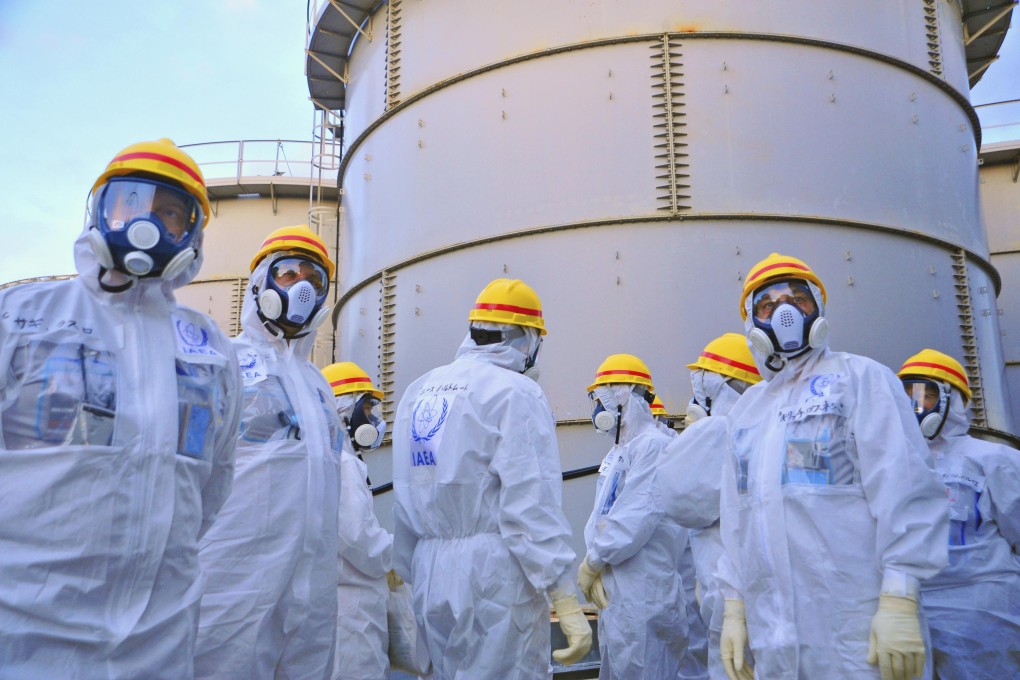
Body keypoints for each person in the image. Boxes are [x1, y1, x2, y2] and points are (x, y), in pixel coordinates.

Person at [0, 139, 241, 679]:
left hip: (158, 638)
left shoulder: (207, 349)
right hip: (25, 630)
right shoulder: (21, 316)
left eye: (169, 212)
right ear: (99, 211)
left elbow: (214, 483)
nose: (146, 223)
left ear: (192, 235)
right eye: (130, 203)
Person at [716, 252, 949, 680]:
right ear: (753, 322)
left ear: (818, 309)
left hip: (856, 629)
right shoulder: (748, 411)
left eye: (798, 300)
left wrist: (900, 597)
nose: (785, 312)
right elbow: (735, 519)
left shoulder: (861, 380)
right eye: (768, 306)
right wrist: (734, 608)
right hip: (775, 634)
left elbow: (904, 489)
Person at [391, 278, 591, 679]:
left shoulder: (420, 390)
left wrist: (406, 570)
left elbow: (405, 491)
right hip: (493, 576)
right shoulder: (516, 393)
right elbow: (528, 506)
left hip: (429, 571)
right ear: (526, 339)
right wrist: (563, 594)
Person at [195, 225, 342, 680]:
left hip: (313, 580)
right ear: (260, 281)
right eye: (287, 273)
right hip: (234, 576)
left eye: (313, 281)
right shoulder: (222, 361)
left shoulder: (318, 385)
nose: (300, 288)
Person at [897, 349, 1020, 680]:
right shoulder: (895, 464)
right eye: (905, 397)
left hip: (985, 611)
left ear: (951, 401)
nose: (914, 406)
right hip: (914, 609)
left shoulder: (994, 459)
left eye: (923, 394)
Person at [577, 353, 689, 678]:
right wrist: (597, 562)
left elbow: (634, 519)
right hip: (620, 590)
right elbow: (605, 513)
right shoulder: (621, 451)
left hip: (643, 591)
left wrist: (594, 561)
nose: (597, 408)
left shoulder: (653, 447)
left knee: (642, 667)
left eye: (600, 398)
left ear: (622, 395)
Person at [322, 361, 393, 680]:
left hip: (337, 601)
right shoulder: (344, 463)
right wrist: (395, 560)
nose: (373, 420)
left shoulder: (327, 457)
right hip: (351, 607)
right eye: (366, 408)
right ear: (343, 412)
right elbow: (357, 537)